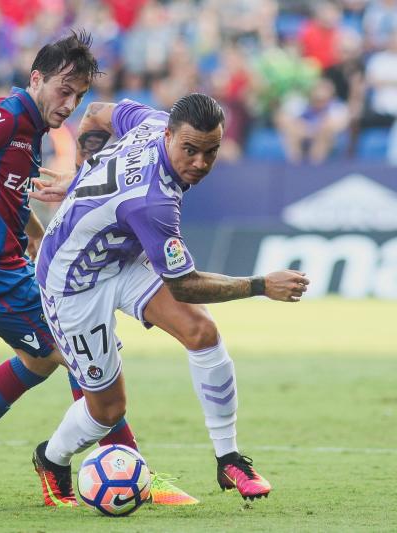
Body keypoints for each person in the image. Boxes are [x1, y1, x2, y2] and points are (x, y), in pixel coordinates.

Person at [0, 31, 196, 506]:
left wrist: (39, 239)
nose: (70, 105)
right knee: (81, 350)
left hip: (5, 268)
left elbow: (4, 195)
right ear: (36, 78)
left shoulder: (31, 130)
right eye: (64, 91)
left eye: (79, 96)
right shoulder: (1, 118)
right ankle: (127, 467)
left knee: (43, 358)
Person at [29, 93, 310, 502]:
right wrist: (261, 285)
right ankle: (51, 459)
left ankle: (228, 459)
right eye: (190, 150)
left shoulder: (149, 121)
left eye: (210, 152)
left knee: (201, 332)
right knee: (107, 412)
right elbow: (184, 284)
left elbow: (94, 114)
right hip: (72, 281)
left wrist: (83, 176)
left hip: (119, 258)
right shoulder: (153, 201)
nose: (199, 163)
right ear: (169, 135)